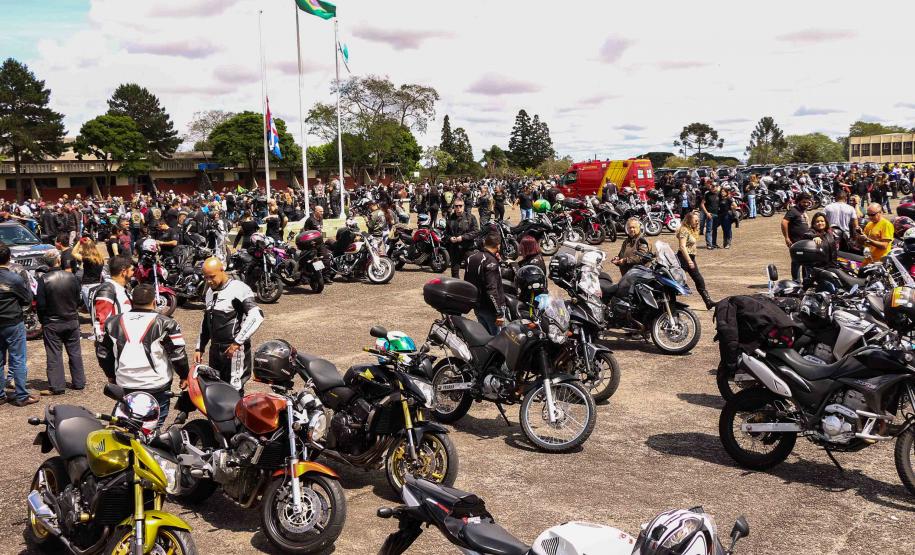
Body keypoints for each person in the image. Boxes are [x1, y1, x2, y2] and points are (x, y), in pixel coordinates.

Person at [96, 284, 189, 428]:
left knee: (122, 429)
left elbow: (103, 353)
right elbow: (177, 355)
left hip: (125, 385)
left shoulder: (112, 322)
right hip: (157, 386)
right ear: (154, 301)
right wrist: (184, 375)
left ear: (132, 301)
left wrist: (111, 375)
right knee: (151, 431)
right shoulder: (167, 323)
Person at [195, 257, 264, 389]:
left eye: (212, 276)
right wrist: (200, 347)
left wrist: (237, 342)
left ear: (222, 270)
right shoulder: (210, 291)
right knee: (216, 387)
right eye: (205, 277)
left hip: (234, 349)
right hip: (215, 349)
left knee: (234, 389)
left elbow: (257, 315)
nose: (209, 281)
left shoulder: (239, 289)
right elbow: (206, 321)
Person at [35, 249, 84, 396]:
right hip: (71, 319)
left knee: (54, 354)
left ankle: (57, 386)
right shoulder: (72, 277)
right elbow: (79, 299)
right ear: (58, 261)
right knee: (75, 352)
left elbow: (41, 305)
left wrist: (43, 321)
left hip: (52, 322)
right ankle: (79, 382)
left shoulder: (43, 279)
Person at [0, 243, 35, 406]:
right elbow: (27, 299)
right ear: (8, 258)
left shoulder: (14, 278)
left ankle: (1, 395)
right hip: (13, 322)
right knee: (18, 359)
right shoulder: (15, 278)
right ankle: (22, 396)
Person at [464, 233, 505, 335]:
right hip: (491, 308)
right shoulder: (490, 261)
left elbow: (467, 283)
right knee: (498, 341)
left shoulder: (471, 258)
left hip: (478, 306)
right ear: (498, 245)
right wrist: (498, 312)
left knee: (485, 338)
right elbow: (491, 289)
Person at [675, 211, 714, 309]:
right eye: (695, 220)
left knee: (699, 280)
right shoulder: (684, 230)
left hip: (691, 257)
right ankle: (669, 302)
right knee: (676, 282)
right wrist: (689, 261)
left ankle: (708, 302)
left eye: (698, 220)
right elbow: (682, 247)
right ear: (689, 220)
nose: (697, 222)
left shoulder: (692, 229)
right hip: (683, 258)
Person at [92, 255, 133, 340]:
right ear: (124, 272)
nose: (133, 273)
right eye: (132, 270)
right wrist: (105, 349)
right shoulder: (108, 289)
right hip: (114, 346)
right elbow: (101, 324)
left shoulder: (120, 288)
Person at [782, 192, 813, 280]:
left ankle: (806, 281)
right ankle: (796, 281)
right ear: (799, 201)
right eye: (804, 202)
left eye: (808, 202)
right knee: (796, 262)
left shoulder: (803, 211)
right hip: (795, 242)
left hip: (805, 243)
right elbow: (784, 222)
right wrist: (787, 237)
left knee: (806, 262)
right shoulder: (793, 210)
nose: (806, 204)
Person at [445, 199, 479, 278]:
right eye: (456, 206)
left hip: (467, 248)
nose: (458, 208)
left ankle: (469, 288)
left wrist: (463, 237)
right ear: (454, 207)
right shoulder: (450, 218)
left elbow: (476, 232)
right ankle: (457, 288)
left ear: (463, 206)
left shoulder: (470, 217)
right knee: (454, 271)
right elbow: (446, 233)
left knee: (471, 270)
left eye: (460, 206)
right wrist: (450, 238)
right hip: (455, 249)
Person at [73, 237, 105, 310]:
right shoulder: (101, 258)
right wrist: (90, 242)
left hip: (88, 285)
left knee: (91, 309)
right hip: (98, 284)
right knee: (98, 308)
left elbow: (74, 253)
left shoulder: (87, 259)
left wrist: (79, 242)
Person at [700, 183, 720, 248]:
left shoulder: (719, 194)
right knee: (709, 229)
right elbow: (702, 204)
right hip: (710, 214)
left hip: (717, 214)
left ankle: (714, 243)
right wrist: (707, 213)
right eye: (712, 186)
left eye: (714, 186)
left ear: (717, 187)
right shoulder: (707, 195)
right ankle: (709, 244)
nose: (713, 187)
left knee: (715, 229)